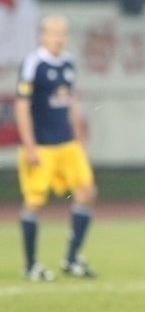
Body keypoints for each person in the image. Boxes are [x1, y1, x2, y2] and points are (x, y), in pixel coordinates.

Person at [14, 15, 97, 281]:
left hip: (67, 144)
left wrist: (79, 137)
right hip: (41, 146)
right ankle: (31, 265)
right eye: (53, 33)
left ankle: (71, 259)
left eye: (62, 33)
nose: (58, 38)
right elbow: (22, 105)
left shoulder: (69, 62)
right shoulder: (33, 63)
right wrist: (29, 146)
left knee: (86, 192)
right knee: (35, 202)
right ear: (42, 36)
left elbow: (70, 101)